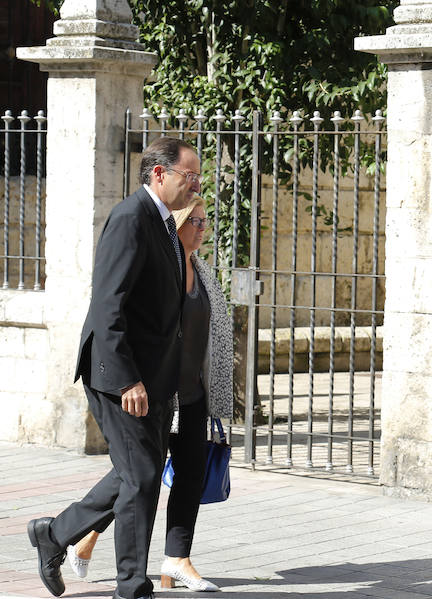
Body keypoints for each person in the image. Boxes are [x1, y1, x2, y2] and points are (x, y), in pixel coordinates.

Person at [27, 136, 200, 599]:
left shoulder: (163, 223)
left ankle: (54, 534)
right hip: (120, 375)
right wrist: (128, 378)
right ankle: (132, 586)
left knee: (132, 473)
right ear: (160, 174)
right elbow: (108, 306)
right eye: (190, 176)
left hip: (154, 376)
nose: (196, 185)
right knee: (142, 478)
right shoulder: (131, 218)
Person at [65, 198, 234, 592]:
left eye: (205, 221)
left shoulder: (203, 271)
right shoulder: (162, 268)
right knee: (137, 477)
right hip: (160, 390)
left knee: (190, 473)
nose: (202, 228)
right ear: (174, 224)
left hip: (193, 391)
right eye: (193, 221)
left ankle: (176, 559)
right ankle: (76, 534)